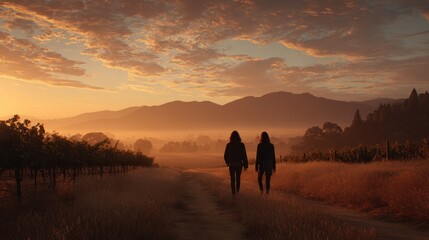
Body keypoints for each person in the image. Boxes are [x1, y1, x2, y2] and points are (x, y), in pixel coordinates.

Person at [224, 130, 248, 195]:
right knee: (238, 179)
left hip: (231, 164)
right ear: (238, 137)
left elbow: (225, 155)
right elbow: (244, 155)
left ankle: (233, 194)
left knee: (232, 179)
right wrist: (245, 165)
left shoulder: (229, 145)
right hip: (239, 164)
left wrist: (227, 162)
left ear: (231, 137)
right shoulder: (241, 145)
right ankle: (237, 192)